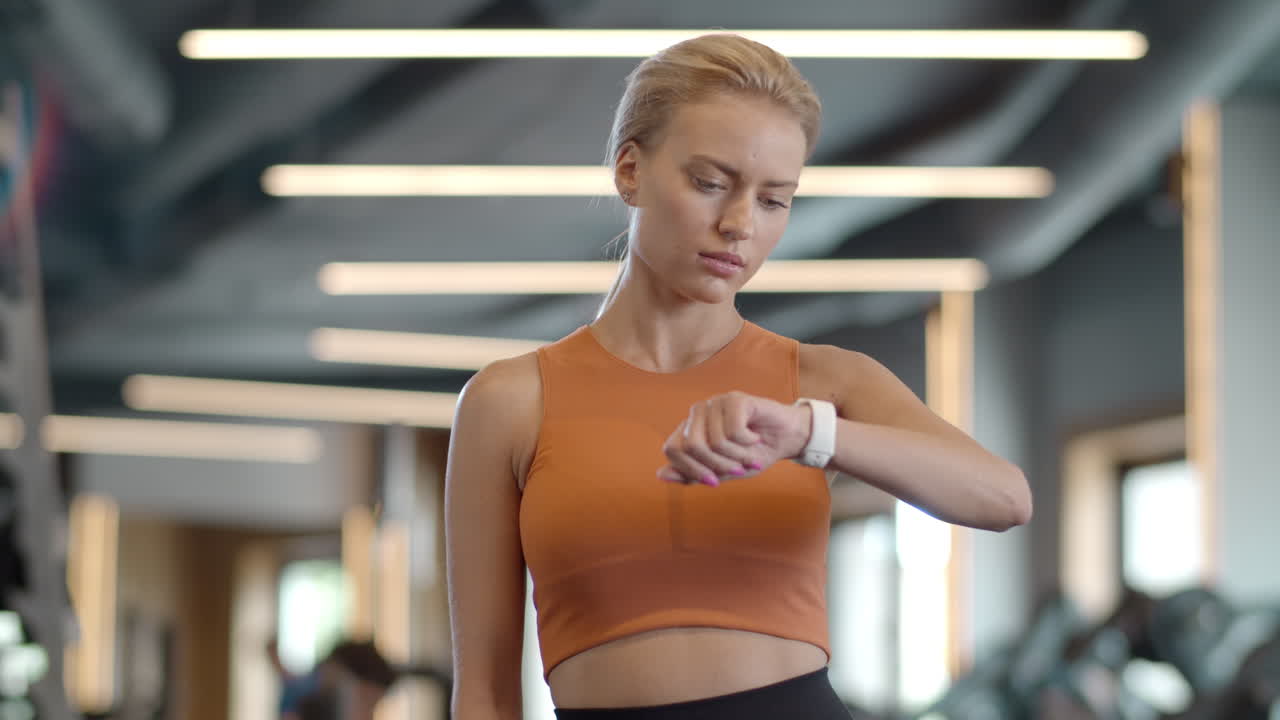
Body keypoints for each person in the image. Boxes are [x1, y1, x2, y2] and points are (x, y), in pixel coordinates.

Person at [445, 33, 1033, 720]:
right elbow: (483, 688)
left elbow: (1005, 498)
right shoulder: (510, 401)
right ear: (629, 170)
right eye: (710, 182)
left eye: (773, 201)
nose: (738, 225)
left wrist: (811, 433)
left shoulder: (820, 380)